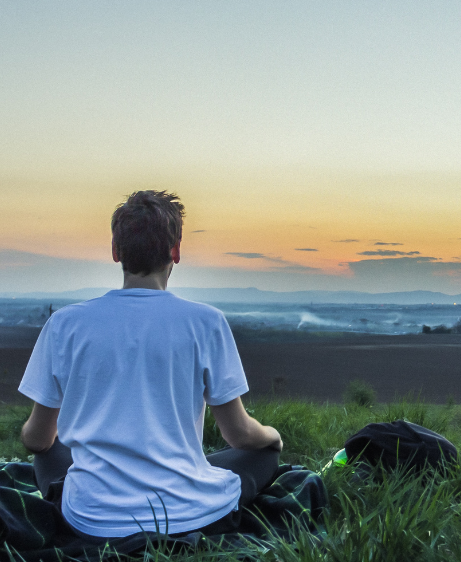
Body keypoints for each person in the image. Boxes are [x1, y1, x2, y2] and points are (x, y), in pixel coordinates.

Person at [17, 190, 282, 541]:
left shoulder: (65, 324)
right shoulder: (206, 322)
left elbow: (36, 439)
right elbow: (240, 435)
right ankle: (192, 480)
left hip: (92, 520)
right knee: (262, 456)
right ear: (175, 251)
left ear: (116, 252)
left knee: (49, 451)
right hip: (190, 515)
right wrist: (273, 437)